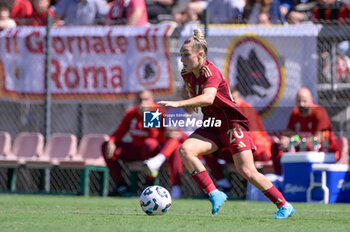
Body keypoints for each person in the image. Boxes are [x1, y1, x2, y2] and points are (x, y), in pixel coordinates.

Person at [157, 29, 294, 218]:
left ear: (201, 55)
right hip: (213, 124)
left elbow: (208, 98)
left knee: (247, 170)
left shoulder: (211, 71)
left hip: (232, 124)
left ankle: (284, 205)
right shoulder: (186, 72)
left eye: (186, 54)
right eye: (181, 54)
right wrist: (192, 102)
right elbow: (195, 94)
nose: (182, 59)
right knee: (186, 150)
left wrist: (180, 104)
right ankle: (215, 193)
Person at [101, 90, 183, 197]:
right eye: (140, 99)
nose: (142, 102)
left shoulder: (157, 111)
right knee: (105, 145)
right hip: (136, 148)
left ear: (152, 100)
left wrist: (146, 115)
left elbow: (153, 137)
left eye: (145, 99)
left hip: (154, 150)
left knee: (149, 144)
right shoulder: (131, 113)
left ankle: (149, 182)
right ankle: (121, 185)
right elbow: (120, 131)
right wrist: (111, 141)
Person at [203, 86, 273, 192]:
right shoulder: (227, 110)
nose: (232, 101)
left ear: (240, 98)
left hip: (255, 149)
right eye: (229, 98)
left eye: (234, 98)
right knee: (206, 149)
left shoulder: (246, 109)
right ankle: (223, 183)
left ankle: (266, 192)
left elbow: (247, 136)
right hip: (235, 147)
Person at [271, 87, 339, 175]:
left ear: (311, 100)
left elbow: (318, 139)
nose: (301, 104)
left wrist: (296, 141)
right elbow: (289, 133)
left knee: (309, 146)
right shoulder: (295, 112)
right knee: (276, 146)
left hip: (322, 148)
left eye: (304, 101)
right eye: (299, 101)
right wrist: (284, 140)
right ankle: (281, 178)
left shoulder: (320, 112)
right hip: (300, 147)